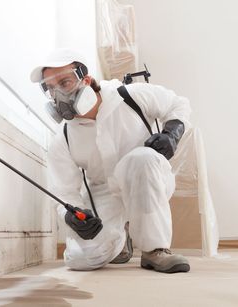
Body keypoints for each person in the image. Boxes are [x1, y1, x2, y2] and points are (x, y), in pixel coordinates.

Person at [30, 48, 191, 273]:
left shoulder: (129, 96)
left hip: (146, 180)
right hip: (104, 192)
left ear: (85, 80)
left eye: (64, 83)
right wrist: (71, 215)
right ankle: (121, 237)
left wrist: (171, 134)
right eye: (50, 89)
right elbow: (64, 191)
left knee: (142, 159)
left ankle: (155, 250)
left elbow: (178, 103)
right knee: (79, 259)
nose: (58, 95)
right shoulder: (64, 137)